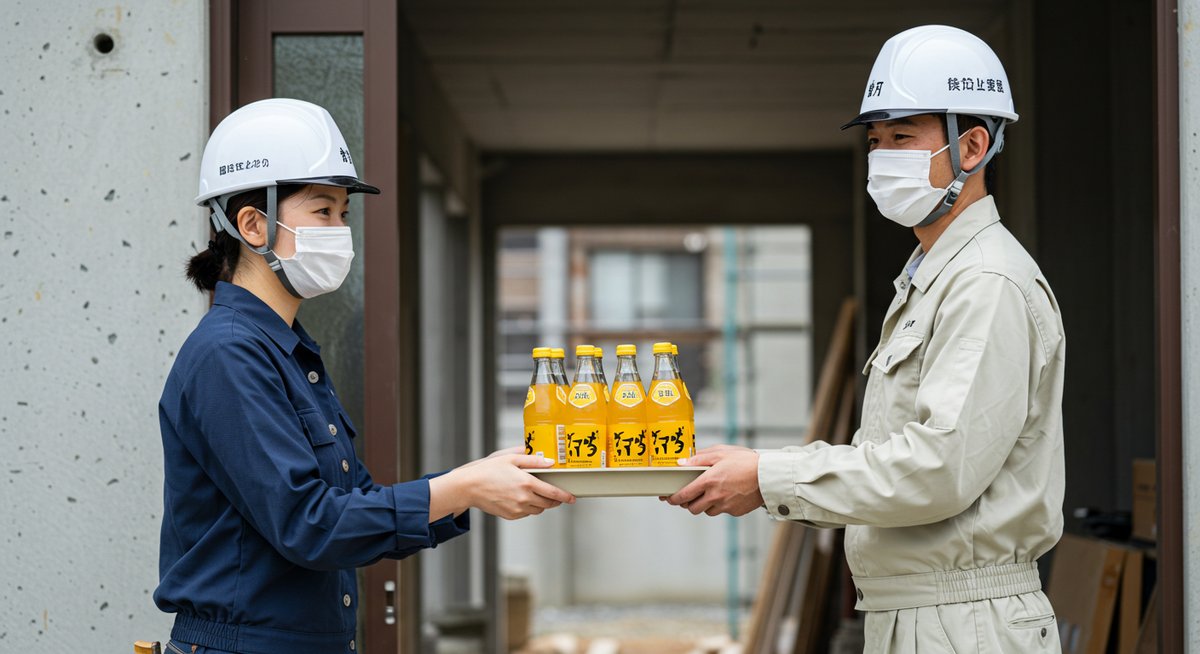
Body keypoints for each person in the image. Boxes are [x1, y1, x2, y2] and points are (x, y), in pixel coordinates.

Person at [665, 25, 1066, 653]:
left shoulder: (986, 282)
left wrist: (769, 476)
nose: (882, 157)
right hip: (922, 616)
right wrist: (762, 472)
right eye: (876, 141)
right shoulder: (934, 280)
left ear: (973, 146)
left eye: (903, 137)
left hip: (965, 623)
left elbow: (938, 470)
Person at [155, 98, 574, 654]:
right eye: (322, 211)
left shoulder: (285, 349)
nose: (340, 230)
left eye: (343, 215)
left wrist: (473, 483)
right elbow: (309, 524)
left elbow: (351, 504)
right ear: (253, 224)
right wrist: (464, 487)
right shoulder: (230, 354)